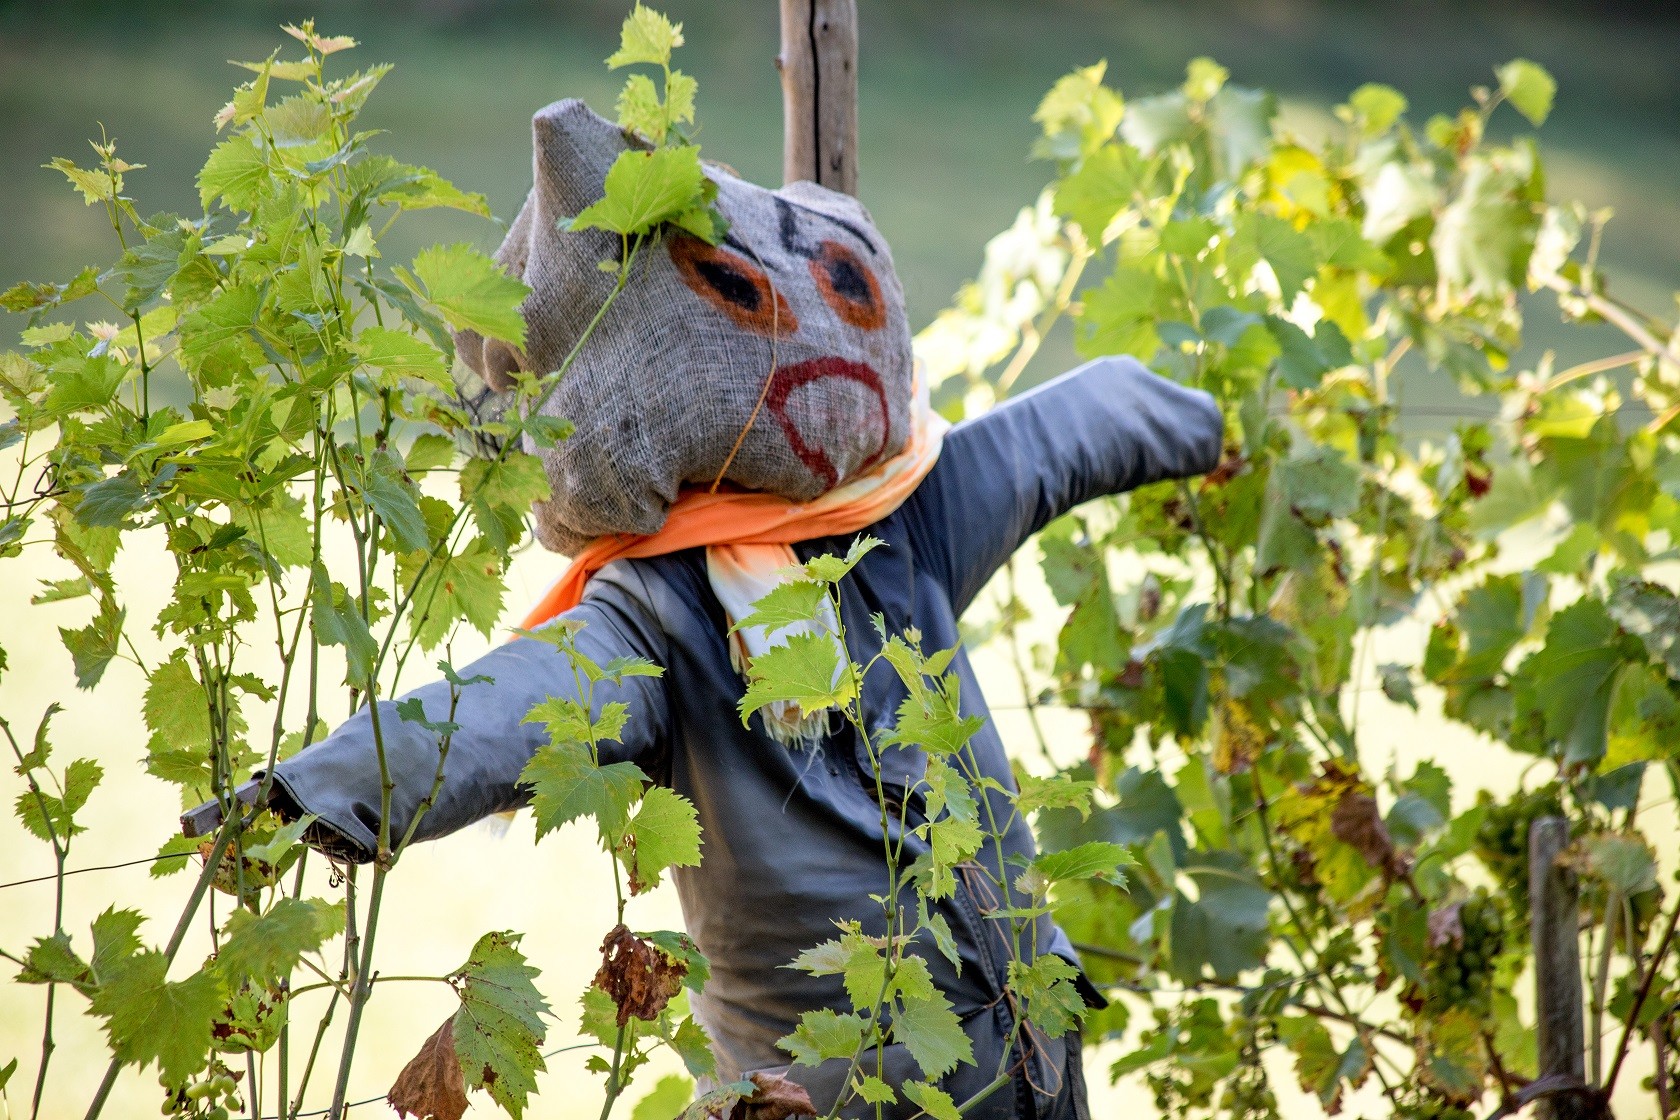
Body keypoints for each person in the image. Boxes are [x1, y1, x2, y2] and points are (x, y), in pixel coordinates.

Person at [256, 100, 1225, 1120]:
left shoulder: (901, 520)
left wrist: (1202, 427)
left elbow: (1073, 431)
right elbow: (512, 705)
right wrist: (317, 792)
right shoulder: (660, 611)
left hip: (1029, 1076)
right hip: (820, 1098)